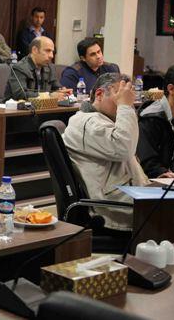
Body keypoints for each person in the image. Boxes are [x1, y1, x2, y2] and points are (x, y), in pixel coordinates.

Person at [62, 73, 151, 231]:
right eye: (120, 96)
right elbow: (124, 148)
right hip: (117, 210)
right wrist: (124, 106)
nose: (125, 102)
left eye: (127, 98)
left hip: (132, 199)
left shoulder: (103, 120)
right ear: (99, 94)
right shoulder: (87, 123)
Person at [137, 65, 174, 180]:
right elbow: (147, 162)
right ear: (171, 89)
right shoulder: (151, 118)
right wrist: (164, 173)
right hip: (153, 183)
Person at [3, 36, 72, 100]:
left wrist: (62, 91)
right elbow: (20, 94)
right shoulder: (20, 68)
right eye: (47, 51)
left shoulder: (50, 68)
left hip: (42, 107)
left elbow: (56, 87)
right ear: (35, 50)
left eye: (52, 52)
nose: (51, 56)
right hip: (17, 108)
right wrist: (49, 96)